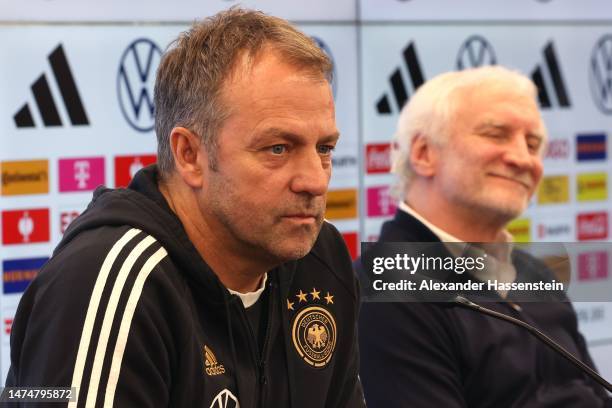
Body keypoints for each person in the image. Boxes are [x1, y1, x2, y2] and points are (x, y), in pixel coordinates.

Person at [5, 8, 365, 408]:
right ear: (189, 155)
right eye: (277, 149)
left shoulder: (321, 257)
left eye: (324, 149)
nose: (315, 180)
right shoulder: (107, 282)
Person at [358, 66, 612, 407]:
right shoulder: (384, 288)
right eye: (496, 134)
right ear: (423, 154)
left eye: (533, 143)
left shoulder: (535, 273)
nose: (523, 158)